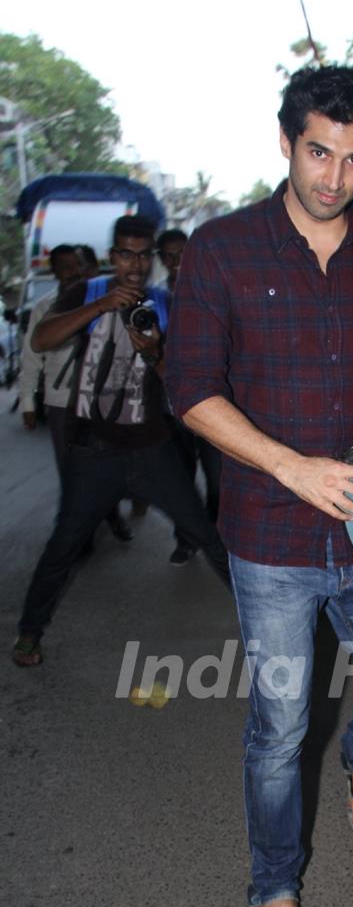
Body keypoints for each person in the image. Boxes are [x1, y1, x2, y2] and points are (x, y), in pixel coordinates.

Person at [165, 65, 353, 907]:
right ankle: (275, 886)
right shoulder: (220, 249)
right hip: (270, 536)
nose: (333, 178)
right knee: (279, 726)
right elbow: (190, 390)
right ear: (286, 140)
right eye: (318, 152)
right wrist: (289, 466)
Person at [11, 215, 231, 668]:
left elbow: (180, 381)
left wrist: (153, 353)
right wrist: (101, 305)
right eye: (127, 254)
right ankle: (30, 633)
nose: (136, 264)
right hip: (92, 450)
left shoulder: (166, 303)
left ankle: (268, 623)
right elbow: (41, 337)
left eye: (144, 254)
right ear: (113, 256)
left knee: (207, 536)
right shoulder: (86, 292)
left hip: (152, 446)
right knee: (64, 544)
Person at [18, 243, 133, 543]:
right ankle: (77, 533)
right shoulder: (45, 308)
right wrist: (28, 401)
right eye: (65, 266)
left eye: (77, 265)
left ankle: (111, 514)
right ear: (53, 270)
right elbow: (31, 357)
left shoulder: (106, 301)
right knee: (70, 468)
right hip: (61, 400)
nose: (72, 272)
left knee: (107, 462)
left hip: (101, 399)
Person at [156, 228, 223, 566]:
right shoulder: (153, 301)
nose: (176, 262)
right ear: (161, 260)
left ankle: (217, 539)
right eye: (168, 256)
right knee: (180, 481)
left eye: (181, 254)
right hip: (171, 410)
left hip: (214, 406)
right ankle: (186, 540)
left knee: (218, 479)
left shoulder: (211, 290)